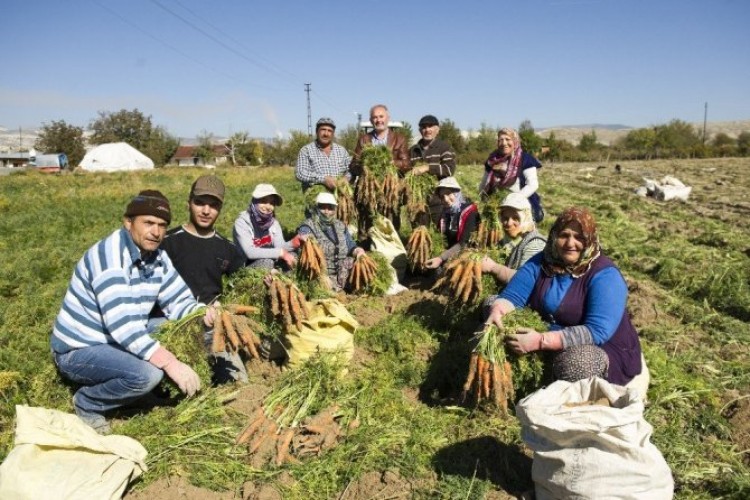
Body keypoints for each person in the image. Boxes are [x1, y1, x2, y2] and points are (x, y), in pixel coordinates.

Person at [51, 190, 215, 434]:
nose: (156, 232)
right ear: (128, 222)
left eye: (161, 225)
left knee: (192, 329)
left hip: (119, 334)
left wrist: (200, 313)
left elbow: (177, 298)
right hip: (81, 348)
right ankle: (88, 402)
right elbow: (123, 326)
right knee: (147, 375)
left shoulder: (157, 257)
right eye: (148, 223)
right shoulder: (110, 259)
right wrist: (171, 363)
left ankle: (132, 389)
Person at [486, 207, 643, 386]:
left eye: (579, 237)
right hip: (546, 331)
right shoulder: (543, 260)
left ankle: (580, 391)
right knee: (491, 304)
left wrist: (541, 340)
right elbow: (513, 296)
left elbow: (596, 331)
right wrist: (499, 309)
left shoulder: (605, 275)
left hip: (598, 347)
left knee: (577, 363)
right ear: (554, 236)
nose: (570, 243)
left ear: (590, 239)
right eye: (564, 235)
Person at [160, 175, 248, 383]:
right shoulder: (167, 243)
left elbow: (243, 283)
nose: (206, 211)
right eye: (200, 203)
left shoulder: (227, 249)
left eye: (213, 205)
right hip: (172, 325)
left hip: (212, 328)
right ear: (188, 203)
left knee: (238, 382)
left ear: (220, 208)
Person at [349, 104, 411, 239]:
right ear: (371, 121)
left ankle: (391, 253)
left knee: (390, 225)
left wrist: (392, 163)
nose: (378, 120)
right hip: (368, 191)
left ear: (388, 118)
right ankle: (366, 253)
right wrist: (365, 166)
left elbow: (406, 164)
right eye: (375, 117)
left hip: (390, 191)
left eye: (381, 116)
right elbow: (353, 165)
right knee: (366, 225)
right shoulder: (364, 139)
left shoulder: (399, 139)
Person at [297, 192, 365, 292]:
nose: (327, 211)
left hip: (342, 272)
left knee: (361, 265)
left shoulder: (340, 225)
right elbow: (307, 255)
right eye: (323, 207)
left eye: (330, 208)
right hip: (319, 274)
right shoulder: (307, 227)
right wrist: (321, 275)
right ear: (316, 208)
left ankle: (350, 287)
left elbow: (351, 246)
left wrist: (359, 251)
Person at [479, 127, 544, 223]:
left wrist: (514, 200)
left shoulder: (525, 159)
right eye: (500, 140)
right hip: (496, 205)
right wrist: (483, 196)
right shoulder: (493, 160)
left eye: (508, 139)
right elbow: (484, 182)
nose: (504, 143)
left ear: (515, 141)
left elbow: (533, 185)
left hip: (521, 203)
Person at [480, 193, 547, 286]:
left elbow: (525, 282)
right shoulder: (508, 239)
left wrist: (493, 267)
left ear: (526, 218)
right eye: (505, 218)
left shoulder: (535, 244)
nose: (508, 223)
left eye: (516, 218)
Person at [233, 184, 298, 270]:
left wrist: (293, 243)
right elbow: (250, 252)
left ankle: (287, 282)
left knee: (293, 256)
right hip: (247, 267)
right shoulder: (242, 223)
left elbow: (280, 247)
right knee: (266, 263)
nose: (268, 207)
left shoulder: (274, 223)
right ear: (255, 201)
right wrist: (280, 253)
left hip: (270, 263)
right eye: (263, 201)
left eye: (272, 203)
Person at [409, 114, 457, 227]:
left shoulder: (444, 148)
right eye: (424, 127)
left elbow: (449, 169)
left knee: (438, 233)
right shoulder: (413, 150)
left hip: (439, 201)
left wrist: (427, 168)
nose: (427, 130)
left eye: (430, 126)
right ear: (420, 130)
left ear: (437, 129)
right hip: (417, 201)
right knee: (419, 233)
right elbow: (407, 171)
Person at [424, 177, 479, 270]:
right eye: (442, 197)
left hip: (466, 257)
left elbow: (464, 243)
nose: (445, 199)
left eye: (448, 193)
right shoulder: (446, 213)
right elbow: (441, 238)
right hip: (448, 255)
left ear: (457, 193)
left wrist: (441, 258)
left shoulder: (470, 212)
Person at [295, 117, 351, 203]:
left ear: (333, 134)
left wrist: (346, 178)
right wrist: (324, 179)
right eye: (323, 130)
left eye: (329, 131)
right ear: (317, 131)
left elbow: (350, 170)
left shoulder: (342, 150)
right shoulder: (306, 150)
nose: (326, 133)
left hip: (340, 200)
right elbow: (300, 173)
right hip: (316, 201)